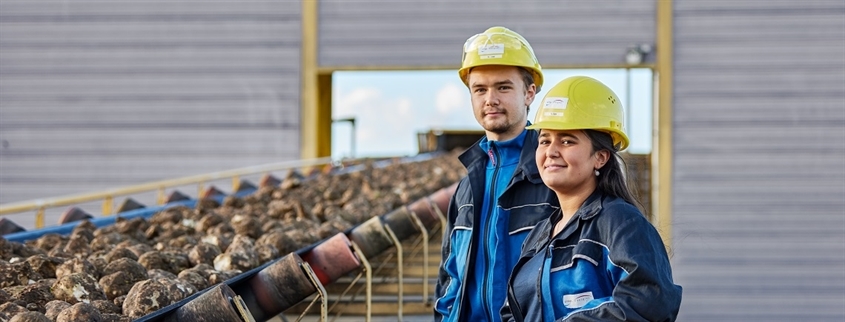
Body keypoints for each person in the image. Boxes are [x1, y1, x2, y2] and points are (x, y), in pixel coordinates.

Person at [500, 76, 683, 321]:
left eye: (567, 141)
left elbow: (648, 304)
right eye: (544, 141)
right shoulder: (538, 236)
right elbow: (512, 312)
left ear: (601, 157)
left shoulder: (620, 223)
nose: (551, 151)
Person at [433, 26, 558, 322]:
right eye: (480, 89)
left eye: (503, 87)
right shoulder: (467, 185)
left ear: (529, 93)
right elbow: (449, 274)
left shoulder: (553, 174)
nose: (490, 99)